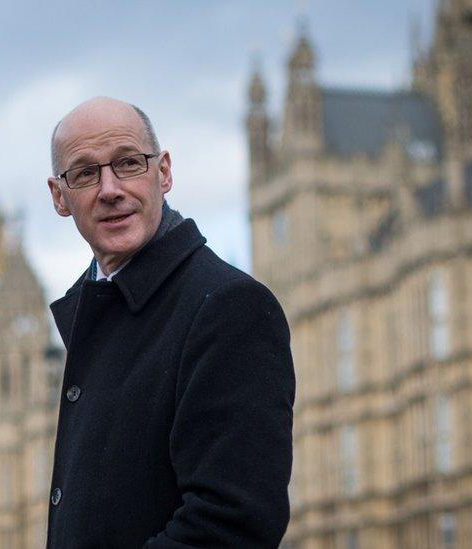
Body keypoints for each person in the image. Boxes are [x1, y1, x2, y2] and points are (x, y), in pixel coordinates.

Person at [44, 97, 295, 548]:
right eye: (84, 173)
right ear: (60, 197)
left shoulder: (229, 307)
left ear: (163, 173)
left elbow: (230, 524)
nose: (110, 188)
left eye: (127, 163)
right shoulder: (98, 310)